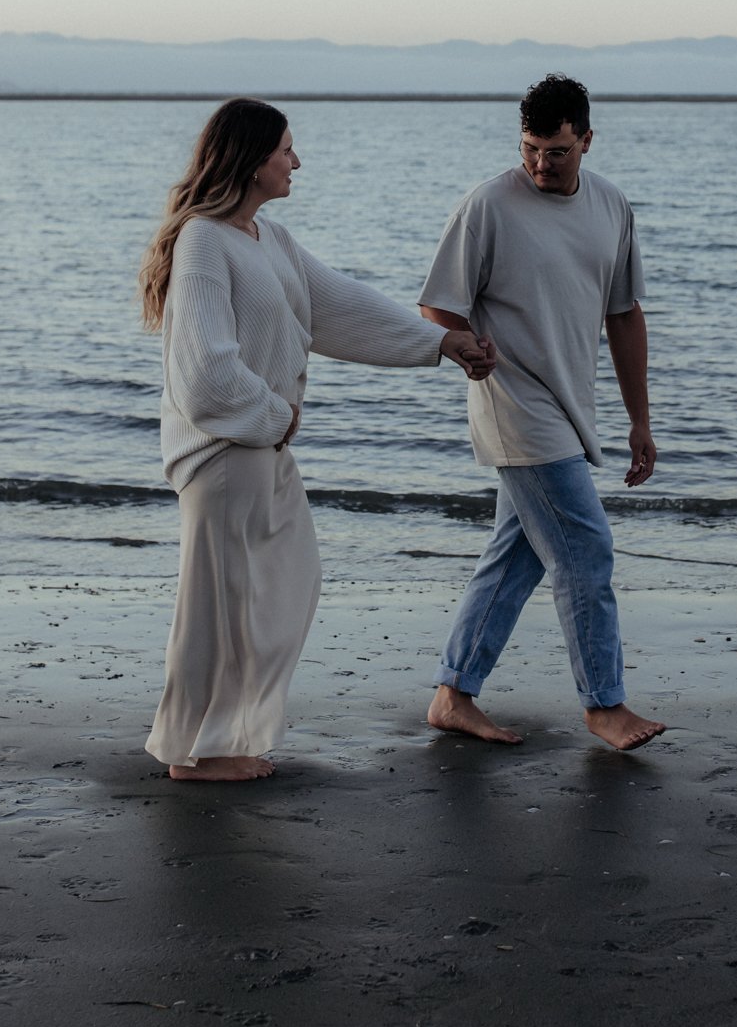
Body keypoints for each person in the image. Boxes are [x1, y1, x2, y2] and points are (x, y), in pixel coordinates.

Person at [138, 97, 495, 782]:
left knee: (280, 590)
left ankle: (226, 736)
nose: (296, 161)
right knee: (222, 609)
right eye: (285, 150)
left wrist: (442, 342)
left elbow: (341, 306)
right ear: (250, 160)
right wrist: (275, 413)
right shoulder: (204, 241)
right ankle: (201, 751)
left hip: (260, 451)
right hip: (224, 453)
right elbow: (203, 371)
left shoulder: (266, 239)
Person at [419, 73, 666, 751]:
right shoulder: (488, 205)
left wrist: (639, 419)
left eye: (556, 151)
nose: (539, 164)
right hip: (515, 405)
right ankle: (604, 705)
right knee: (586, 549)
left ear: (586, 139)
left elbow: (624, 315)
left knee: (517, 557)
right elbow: (438, 304)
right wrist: (465, 347)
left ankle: (453, 692)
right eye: (529, 148)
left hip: (569, 407)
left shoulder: (612, 206)